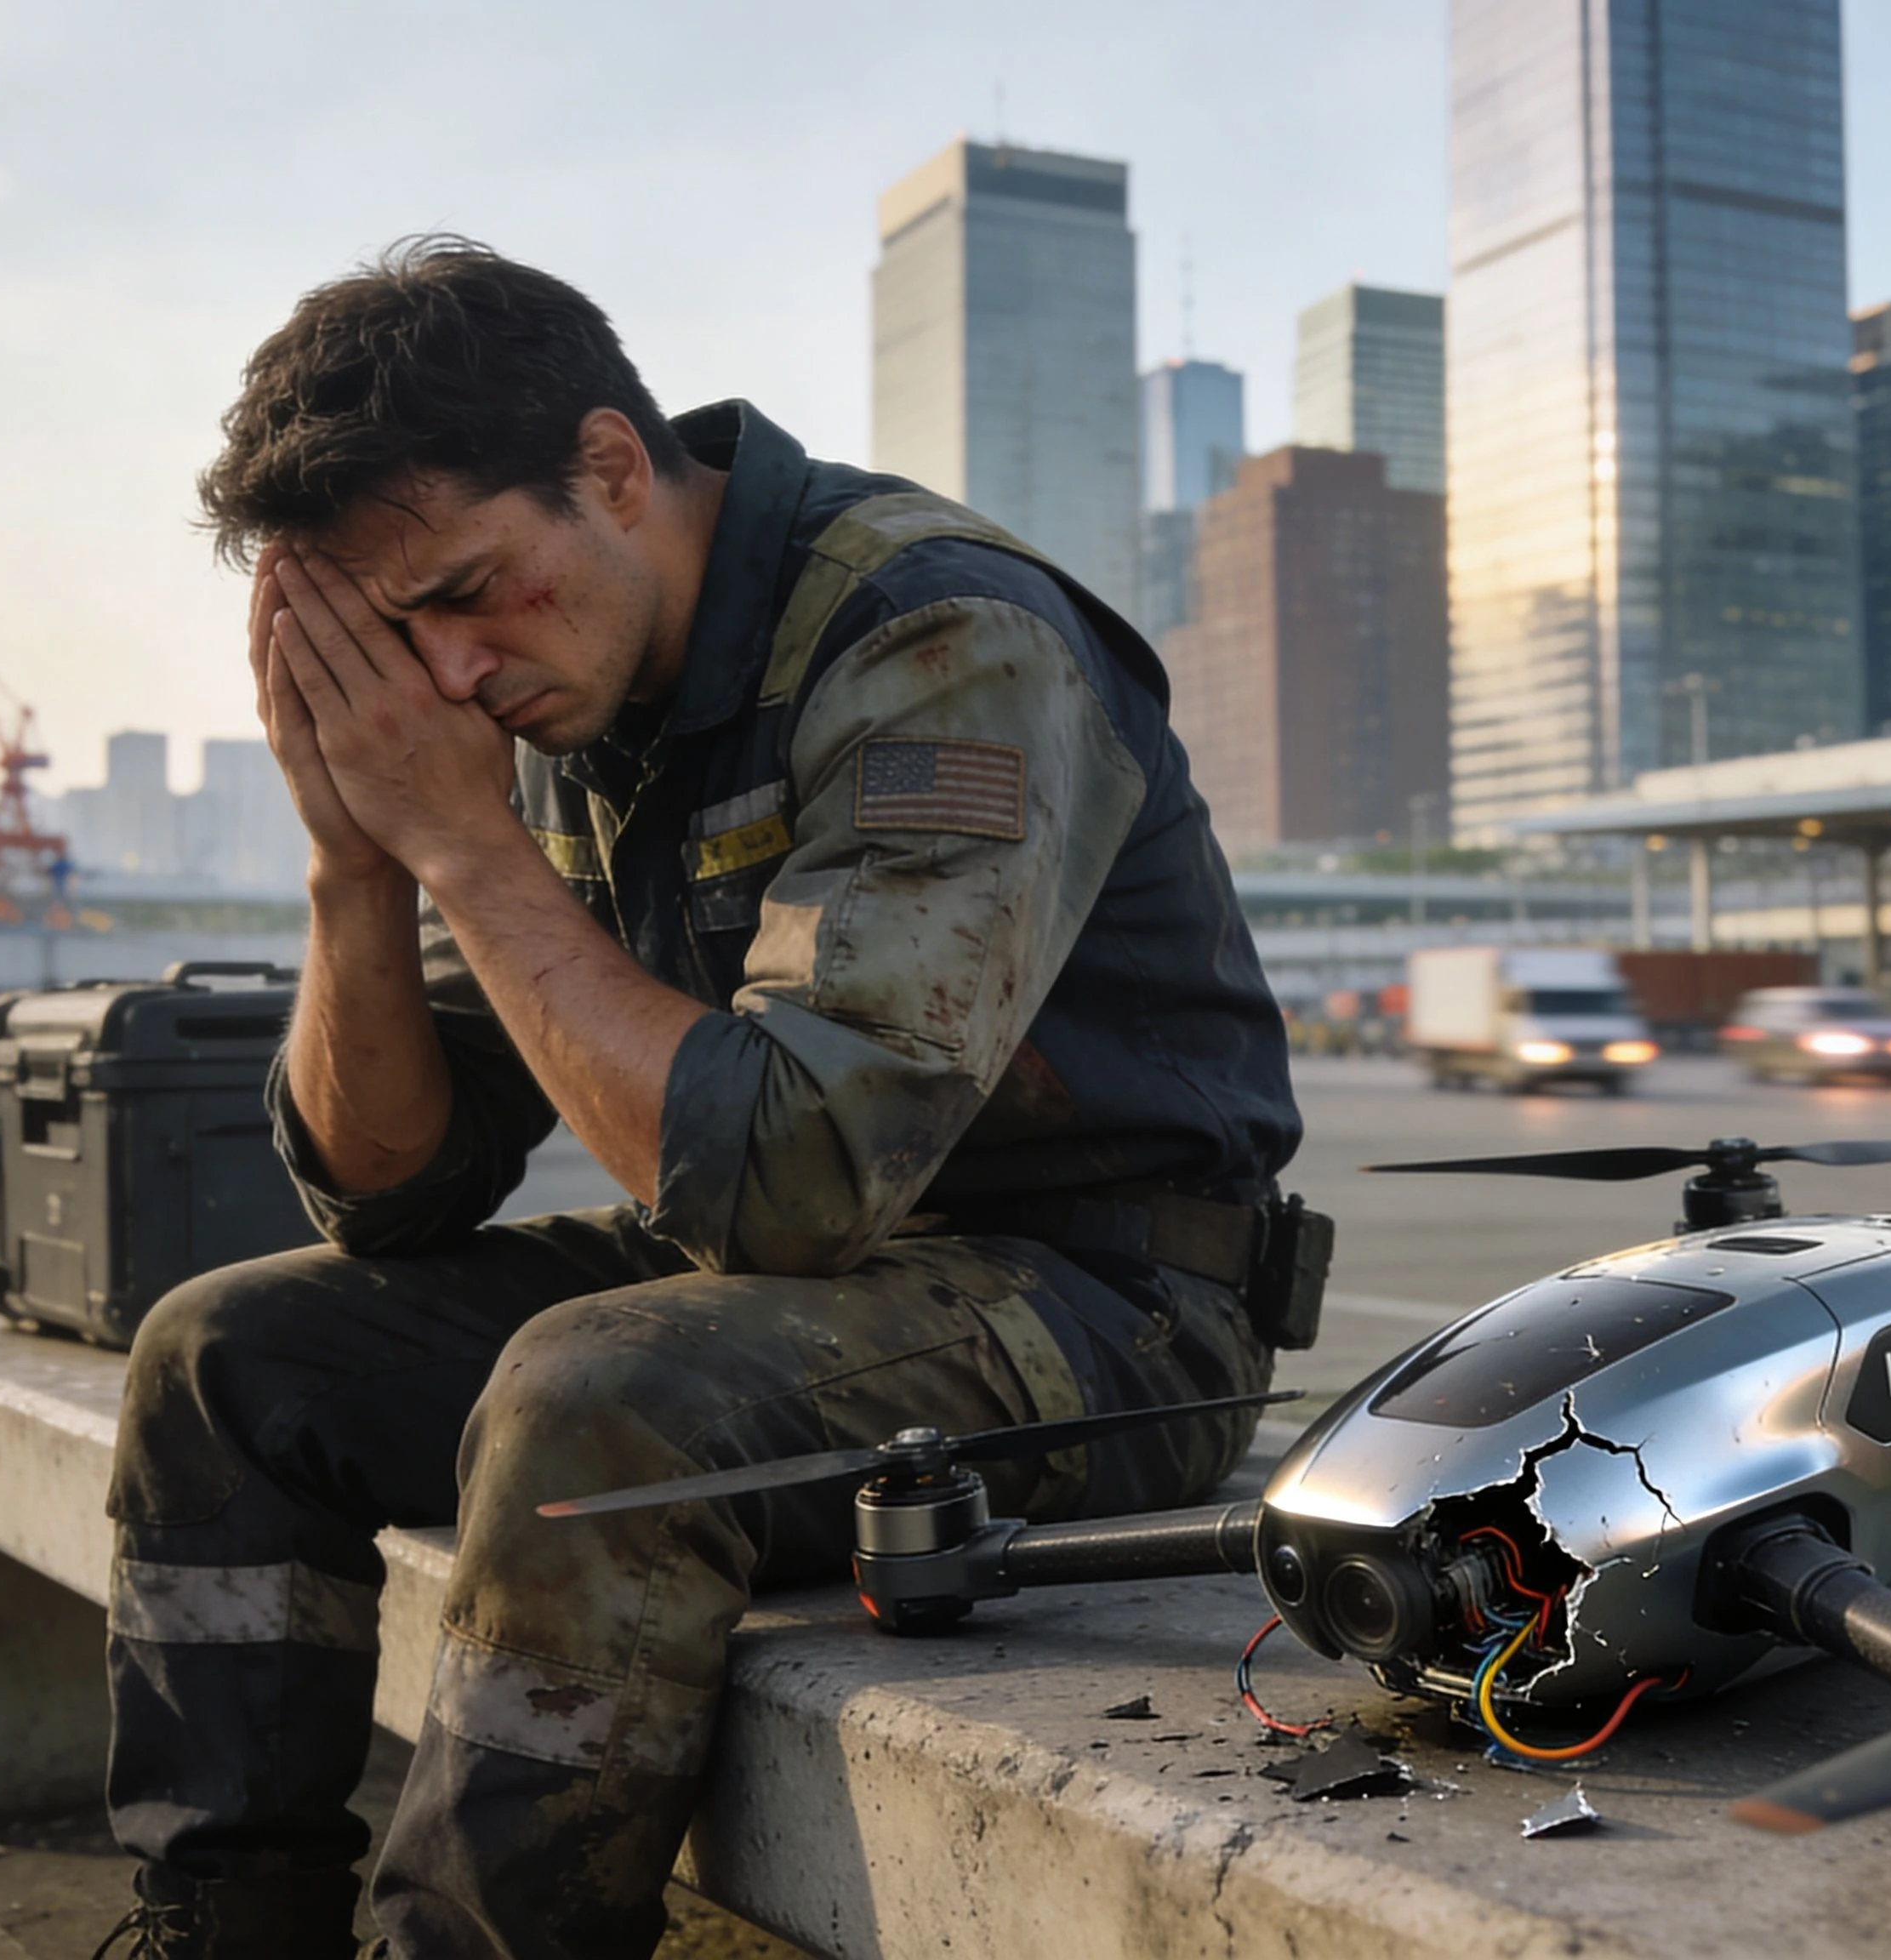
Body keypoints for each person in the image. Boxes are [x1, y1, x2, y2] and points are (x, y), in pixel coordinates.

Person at [96, 237, 1307, 1960]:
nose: (445, 679)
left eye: (461, 591)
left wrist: (460, 840)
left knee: (603, 1394)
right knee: (227, 1359)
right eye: (390, 634)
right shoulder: (567, 694)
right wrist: (355, 867)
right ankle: (222, 1927)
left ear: (607, 467)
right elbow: (389, 1186)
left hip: (1109, 1316)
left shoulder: (935, 636)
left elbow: (796, 1181)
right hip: (796, 1295)